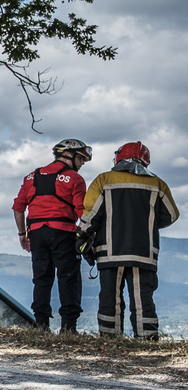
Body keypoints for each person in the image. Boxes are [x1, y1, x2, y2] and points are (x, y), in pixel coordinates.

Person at [77, 141, 180, 340]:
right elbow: (171, 215)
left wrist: (81, 237)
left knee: (110, 298)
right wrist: (145, 223)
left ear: (118, 158)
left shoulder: (103, 180)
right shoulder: (158, 184)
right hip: (144, 252)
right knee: (143, 300)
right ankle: (147, 340)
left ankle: (109, 339)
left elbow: (90, 215)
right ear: (145, 161)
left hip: (109, 251)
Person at [12, 138, 93, 333]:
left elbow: (18, 208)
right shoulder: (74, 179)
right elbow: (82, 212)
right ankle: (68, 328)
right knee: (68, 278)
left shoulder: (31, 177)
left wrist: (22, 234)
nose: (82, 164)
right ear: (69, 155)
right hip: (63, 232)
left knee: (41, 279)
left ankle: (41, 327)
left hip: (37, 233)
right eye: (81, 159)